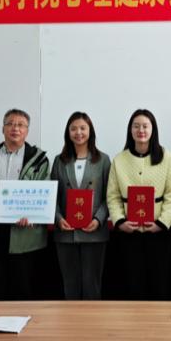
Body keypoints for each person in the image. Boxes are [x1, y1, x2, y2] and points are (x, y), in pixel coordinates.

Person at [0, 108, 50, 300]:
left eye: (21, 125)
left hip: (24, 237)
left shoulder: (38, 159)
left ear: (27, 131)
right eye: (10, 124)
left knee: (22, 292)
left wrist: (33, 216)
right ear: (3, 128)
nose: (15, 128)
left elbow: (45, 195)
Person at [106, 109, 171, 300]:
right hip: (129, 232)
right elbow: (113, 196)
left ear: (153, 129)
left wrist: (162, 223)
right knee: (132, 285)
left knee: (159, 284)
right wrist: (120, 221)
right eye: (136, 126)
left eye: (145, 126)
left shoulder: (166, 157)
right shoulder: (119, 160)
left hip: (158, 232)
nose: (141, 130)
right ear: (130, 130)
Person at [50, 111, 111, 299]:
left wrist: (98, 219)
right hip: (65, 232)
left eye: (83, 128)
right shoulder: (59, 161)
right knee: (70, 286)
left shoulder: (103, 160)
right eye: (74, 129)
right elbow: (52, 195)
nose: (78, 133)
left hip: (94, 232)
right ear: (68, 132)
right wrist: (58, 219)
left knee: (92, 286)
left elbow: (109, 196)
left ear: (90, 131)